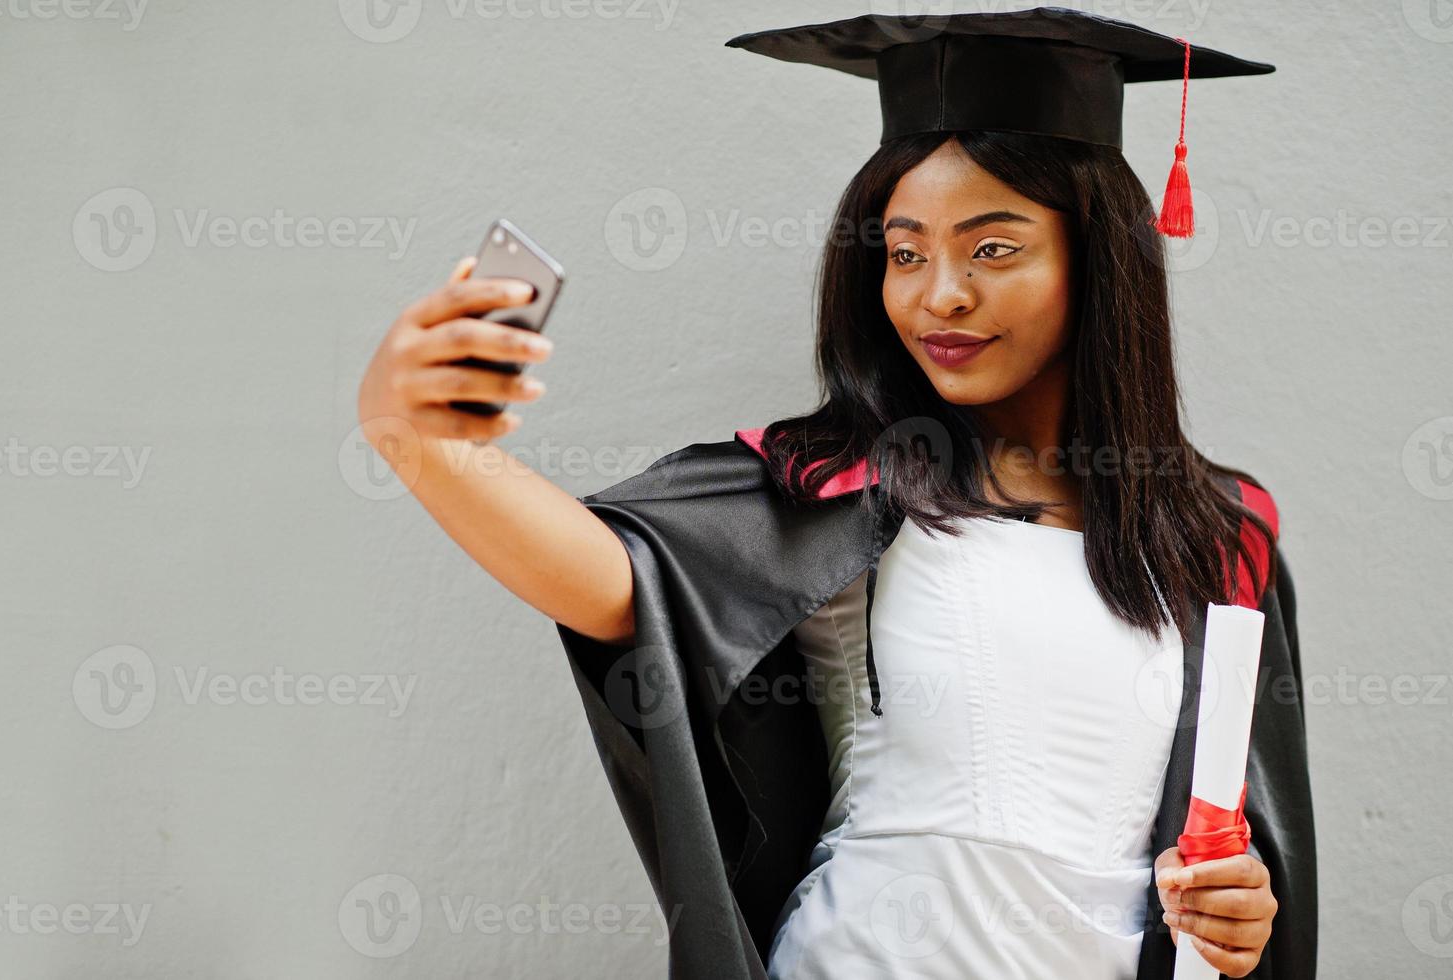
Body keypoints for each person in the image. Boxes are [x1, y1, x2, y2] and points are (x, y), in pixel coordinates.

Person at [355, 9, 1315, 978]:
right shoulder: (844, 482)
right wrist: (420, 438)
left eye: (992, 249)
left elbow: (1231, 863)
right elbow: (618, 584)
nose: (939, 293)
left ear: (1100, 262)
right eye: (904, 252)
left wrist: (1241, 915)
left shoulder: (1218, 540)